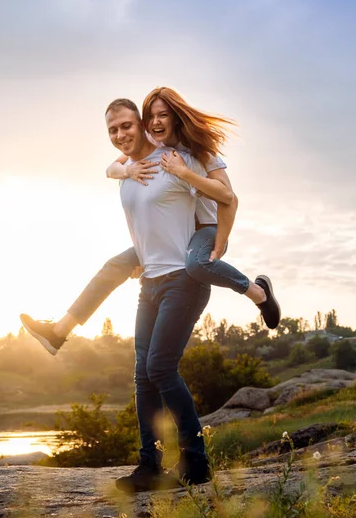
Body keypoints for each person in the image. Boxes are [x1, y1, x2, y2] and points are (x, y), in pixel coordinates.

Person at [20, 87, 280, 355]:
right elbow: (111, 169)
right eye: (151, 116)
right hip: (175, 232)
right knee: (116, 265)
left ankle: (258, 293)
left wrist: (220, 240)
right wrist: (128, 170)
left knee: (198, 263)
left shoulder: (200, 152)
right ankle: (58, 332)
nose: (156, 122)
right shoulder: (152, 143)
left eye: (163, 115)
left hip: (206, 229)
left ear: (176, 117)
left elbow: (229, 199)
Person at [104, 97, 212, 491]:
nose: (121, 134)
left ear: (143, 126)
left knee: (161, 368)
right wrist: (123, 169)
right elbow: (142, 221)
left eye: (127, 126)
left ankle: (196, 460)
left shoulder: (176, 160)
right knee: (142, 375)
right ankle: (150, 465)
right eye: (113, 130)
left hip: (183, 278)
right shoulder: (128, 172)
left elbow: (220, 198)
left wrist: (218, 246)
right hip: (149, 281)